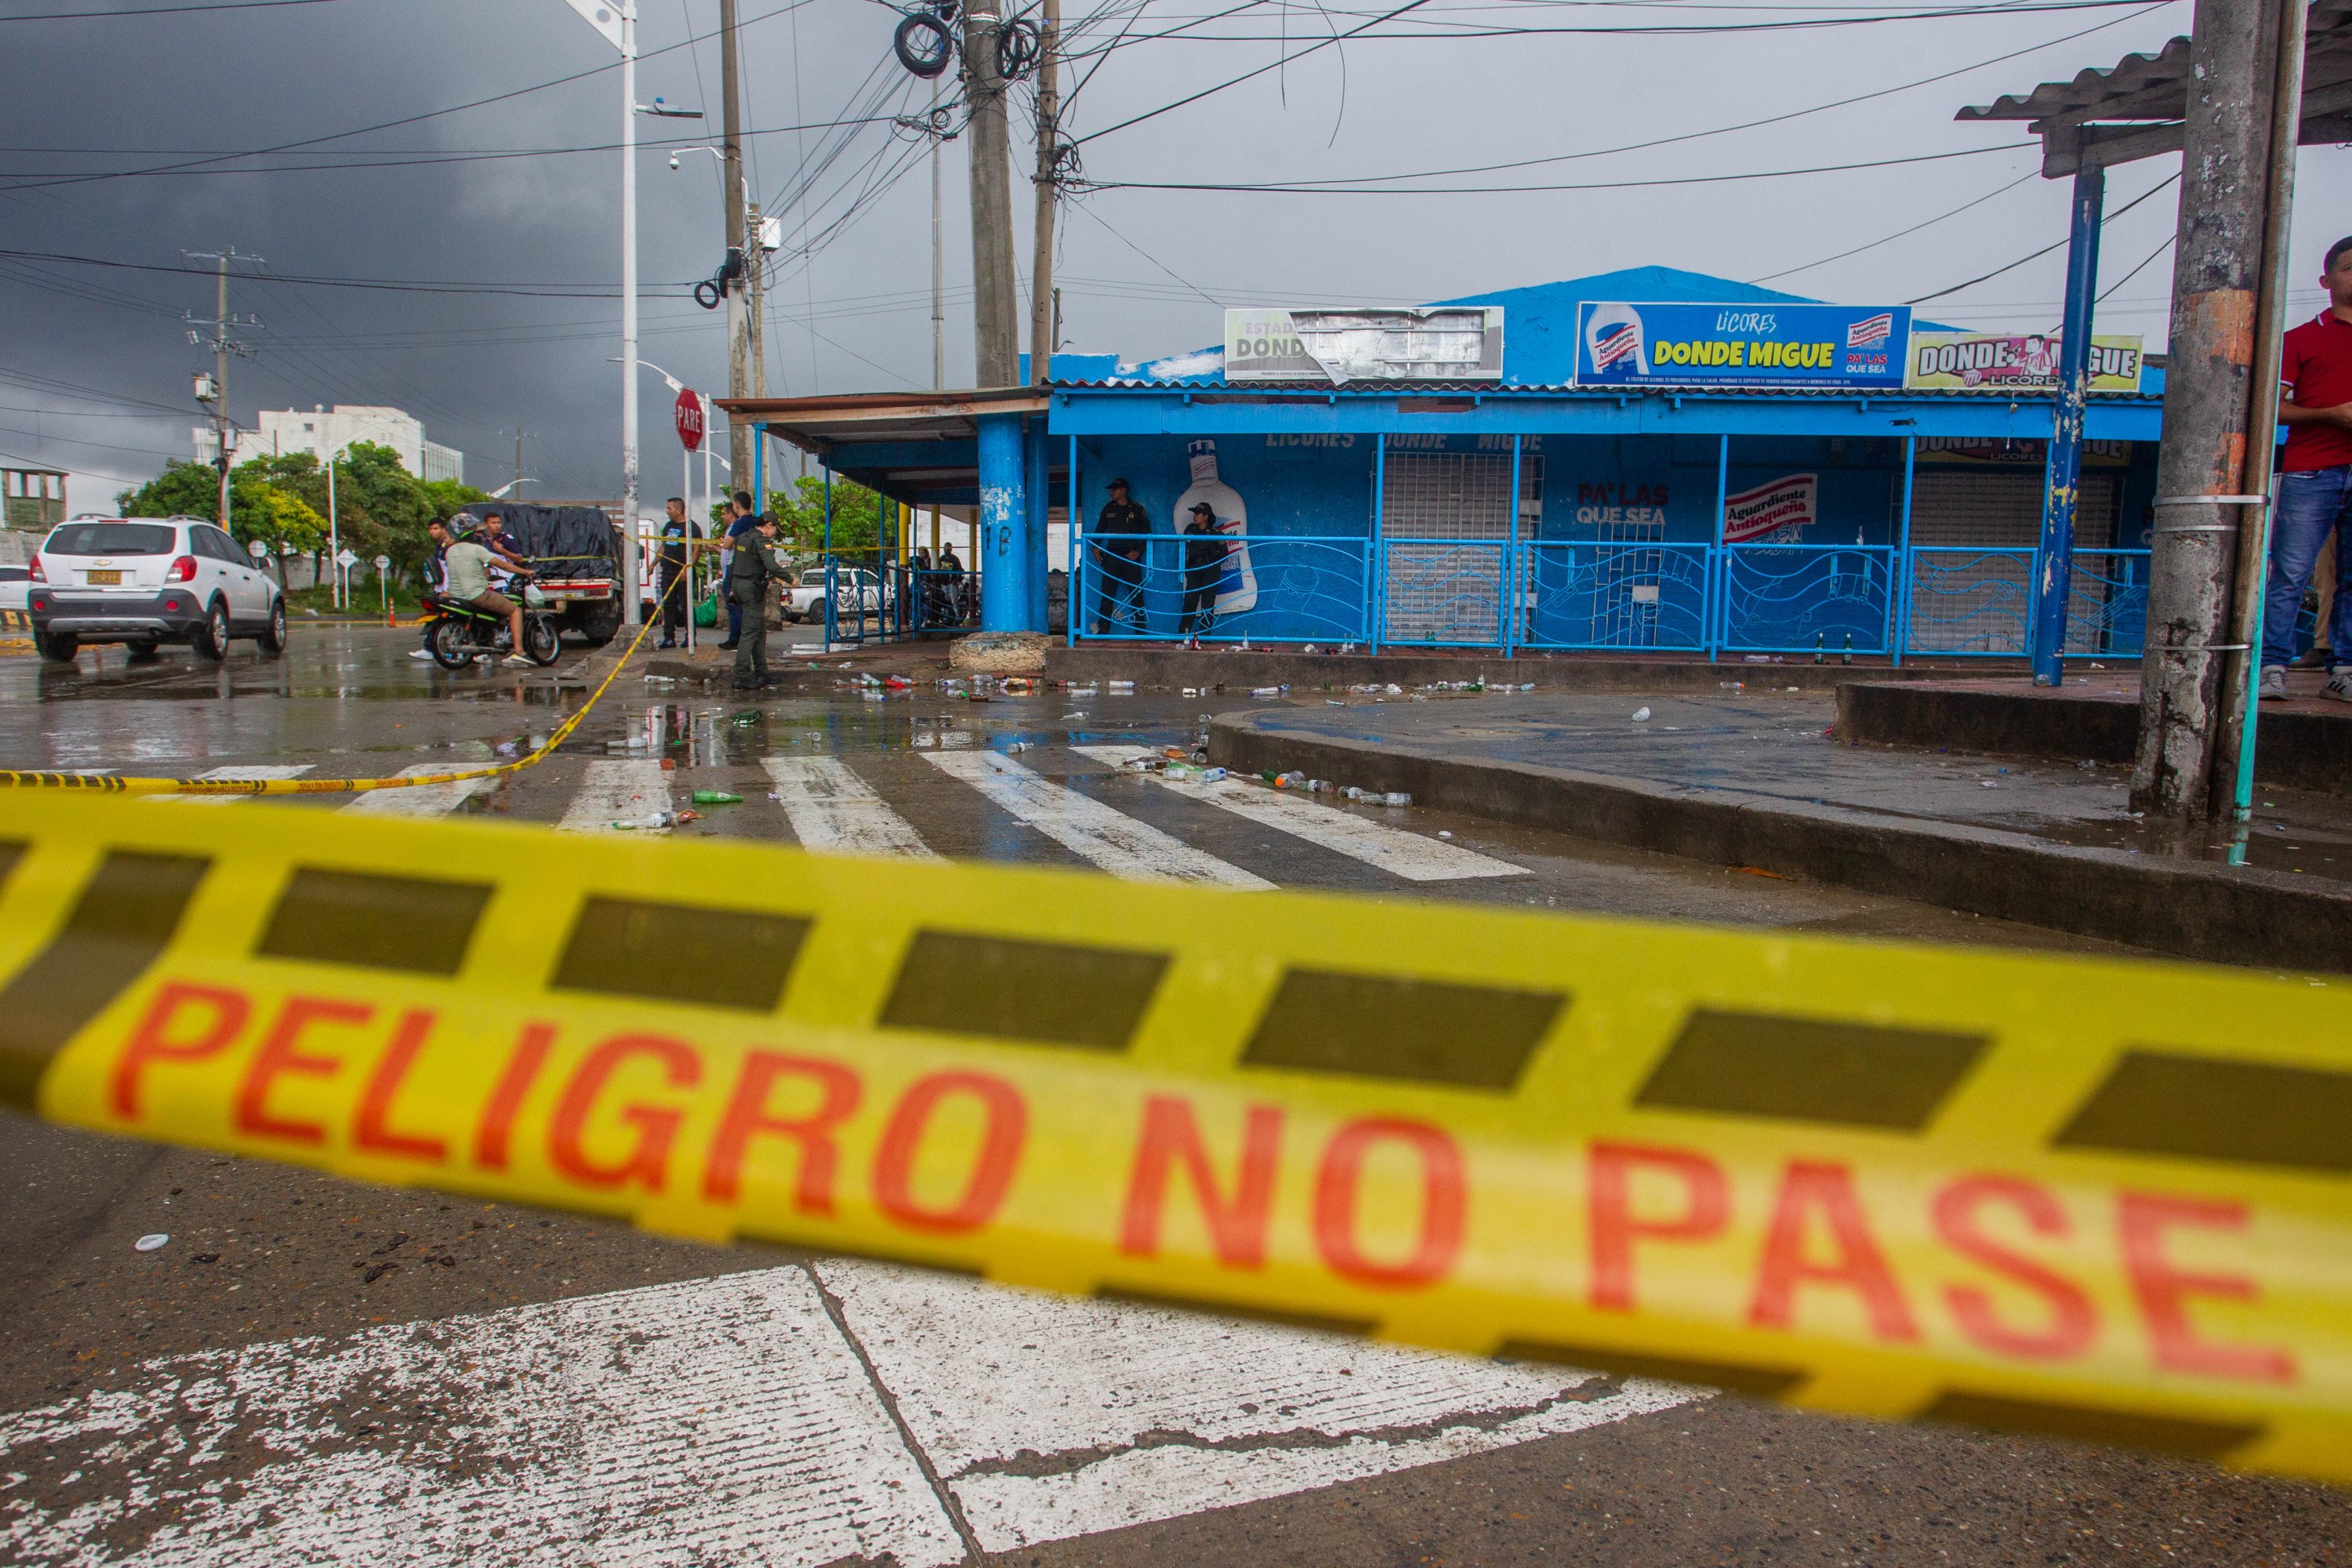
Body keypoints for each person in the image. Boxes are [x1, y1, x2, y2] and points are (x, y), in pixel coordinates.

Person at [2263, 235, 2352, 702]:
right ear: (2327, 280)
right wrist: (2331, 414)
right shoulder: (2299, 339)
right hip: (2311, 471)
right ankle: (2271, 665)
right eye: (2349, 267)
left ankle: (2345, 668)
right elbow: (2270, 409)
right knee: (2291, 573)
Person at [441, 521, 532, 665]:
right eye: (478, 532)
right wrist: (526, 571)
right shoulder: (477, 549)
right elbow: (503, 565)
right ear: (469, 534)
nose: (481, 535)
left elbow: (469, 569)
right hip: (477, 594)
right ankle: (519, 651)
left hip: (456, 596)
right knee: (515, 611)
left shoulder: (450, 551)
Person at [727, 512, 788, 690]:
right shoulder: (761, 541)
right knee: (750, 633)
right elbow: (771, 566)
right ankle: (741, 676)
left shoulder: (742, 537)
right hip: (751, 588)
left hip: (739, 585)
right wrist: (790, 579)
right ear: (768, 525)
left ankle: (762, 672)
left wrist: (732, 587)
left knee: (759, 631)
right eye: (775, 529)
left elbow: (733, 564)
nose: (774, 533)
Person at [1090, 477, 1151, 634]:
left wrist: (1138, 552)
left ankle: (1140, 631)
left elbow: (1147, 534)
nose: (1111, 493)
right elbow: (1099, 529)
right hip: (1112, 555)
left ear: (1123, 490)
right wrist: (1095, 548)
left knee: (1136, 594)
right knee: (1107, 593)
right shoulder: (1108, 508)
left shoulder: (1137, 509)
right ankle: (1103, 630)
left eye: (1114, 490)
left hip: (1130, 556)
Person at [655, 497, 701, 648]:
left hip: (682, 572)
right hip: (667, 571)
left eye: (669, 508)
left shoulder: (692, 527)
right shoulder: (668, 526)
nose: (667, 511)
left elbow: (697, 550)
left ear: (678, 510)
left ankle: (690, 637)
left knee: (686, 605)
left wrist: (687, 569)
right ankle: (668, 638)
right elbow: (663, 547)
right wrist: (652, 564)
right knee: (668, 605)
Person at [718, 491, 761, 649]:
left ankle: (735, 637)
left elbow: (727, 545)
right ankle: (746, 636)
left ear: (736, 506)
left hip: (734, 566)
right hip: (751, 567)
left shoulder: (740, 523)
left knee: (733, 604)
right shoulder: (755, 522)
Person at [1181, 500, 1224, 640]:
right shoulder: (1190, 530)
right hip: (1194, 570)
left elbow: (1224, 554)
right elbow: (1184, 549)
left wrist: (1212, 564)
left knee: (1208, 604)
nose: (1195, 516)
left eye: (1198, 513)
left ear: (1206, 516)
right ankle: (1183, 634)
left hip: (1210, 570)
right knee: (1190, 602)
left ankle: (1205, 637)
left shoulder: (1216, 534)